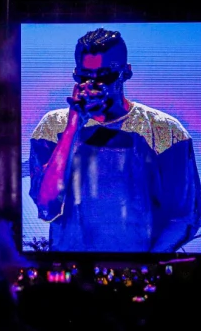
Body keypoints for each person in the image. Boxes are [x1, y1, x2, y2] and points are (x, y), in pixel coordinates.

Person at [29, 28, 201, 252]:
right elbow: (46, 205)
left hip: (139, 264)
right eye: (83, 77)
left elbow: (184, 217)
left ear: (126, 72)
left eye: (105, 76)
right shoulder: (52, 127)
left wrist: (143, 262)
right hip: (73, 266)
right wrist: (72, 128)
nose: (93, 86)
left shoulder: (167, 130)